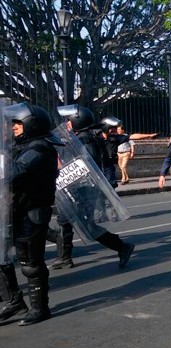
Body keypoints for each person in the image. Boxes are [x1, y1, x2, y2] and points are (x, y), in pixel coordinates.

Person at [47, 106, 135, 270]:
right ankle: (65, 257)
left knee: (87, 227)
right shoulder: (80, 137)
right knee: (64, 222)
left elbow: (82, 167)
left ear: (76, 121)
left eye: (69, 120)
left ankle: (122, 247)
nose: (66, 124)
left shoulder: (85, 141)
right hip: (74, 188)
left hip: (82, 189)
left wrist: (63, 167)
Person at [0, 103, 59, 325]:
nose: (13, 128)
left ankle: (40, 308)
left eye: (17, 123)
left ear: (30, 124)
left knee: (31, 263)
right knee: (1, 257)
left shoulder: (39, 149)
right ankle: (14, 301)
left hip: (32, 212)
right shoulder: (20, 146)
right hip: (13, 210)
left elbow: (14, 173)